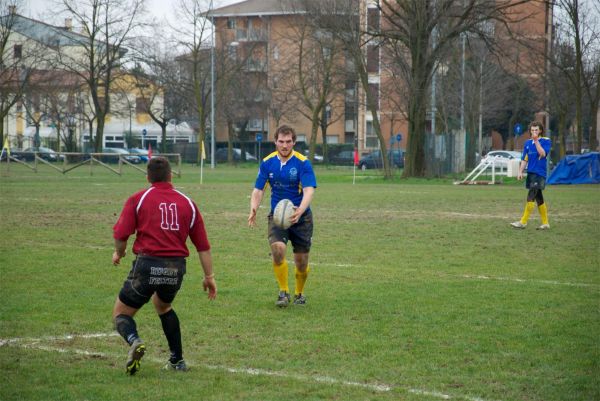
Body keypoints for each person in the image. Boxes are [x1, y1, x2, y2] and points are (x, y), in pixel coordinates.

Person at [112, 156, 217, 375]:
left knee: (121, 314)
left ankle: (134, 341)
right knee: (163, 306)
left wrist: (119, 253)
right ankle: (177, 361)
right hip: (175, 268)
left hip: (147, 264)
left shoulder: (138, 199)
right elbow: (203, 246)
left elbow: (121, 234)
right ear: (171, 175)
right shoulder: (188, 202)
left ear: (148, 176)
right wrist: (209, 277)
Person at [248, 125, 317, 307]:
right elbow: (258, 190)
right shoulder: (267, 162)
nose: (284, 145)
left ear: (294, 142)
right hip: (278, 217)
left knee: (301, 262)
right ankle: (283, 291)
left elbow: (309, 191)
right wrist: (253, 208)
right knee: (278, 250)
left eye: (288, 142)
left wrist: (300, 210)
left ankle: (299, 293)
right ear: (275, 142)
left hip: (301, 218)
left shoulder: (303, 163)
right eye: (281, 141)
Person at [511, 121, 552, 230]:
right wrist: (520, 171)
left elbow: (543, 153)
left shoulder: (546, 141)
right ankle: (545, 223)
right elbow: (525, 159)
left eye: (536, 130)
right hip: (531, 173)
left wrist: (536, 141)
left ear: (540, 131)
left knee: (531, 196)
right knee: (539, 198)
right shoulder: (527, 143)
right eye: (532, 130)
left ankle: (523, 222)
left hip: (540, 174)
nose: (534, 132)